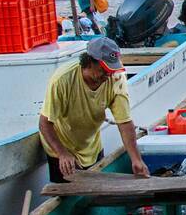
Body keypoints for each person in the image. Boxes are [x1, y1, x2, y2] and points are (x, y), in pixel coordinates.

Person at [38, 37, 147, 182]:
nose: (108, 75)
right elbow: (45, 123)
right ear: (89, 62)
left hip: (91, 146)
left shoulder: (116, 78)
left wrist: (136, 160)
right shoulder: (62, 80)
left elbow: (124, 122)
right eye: (104, 69)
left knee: (96, 190)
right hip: (62, 147)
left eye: (112, 70)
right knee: (68, 194)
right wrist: (62, 154)